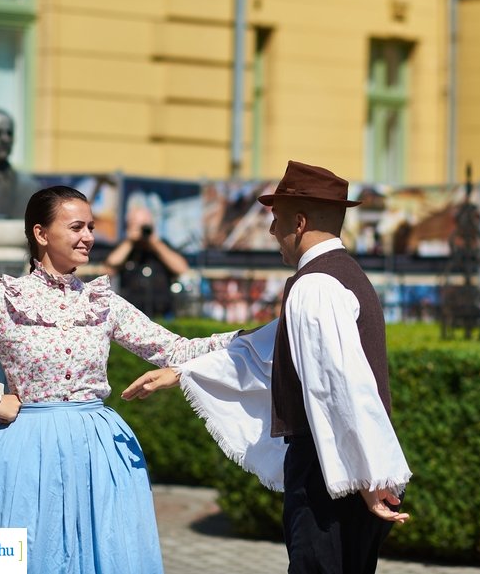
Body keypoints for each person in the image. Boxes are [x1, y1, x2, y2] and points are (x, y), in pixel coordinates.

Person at [0, 186, 239, 573]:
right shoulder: (5, 298)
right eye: (77, 227)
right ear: (41, 233)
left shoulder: (100, 301)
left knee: (108, 553)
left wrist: (248, 340)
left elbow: (175, 350)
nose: (89, 237)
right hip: (27, 451)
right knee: (33, 554)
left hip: (97, 450)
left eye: (92, 227)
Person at [123, 161, 412, 574]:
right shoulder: (342, 276)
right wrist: (182, 371)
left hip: (331, 473)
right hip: (348, 469)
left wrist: (369, 477)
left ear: (299, 221)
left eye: (276, 221)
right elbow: (265, 344)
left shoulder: (314, 285)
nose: (272, 232)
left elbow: (341, 387)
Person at [103, 205, 191, 319]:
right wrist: (130, 242)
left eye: (144, 225)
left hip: (162, 314)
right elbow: (109, 267)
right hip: (130, 315)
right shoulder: (124, 247)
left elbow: (182, 269)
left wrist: (155, 243)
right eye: (135, 224)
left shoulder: (161, 245)